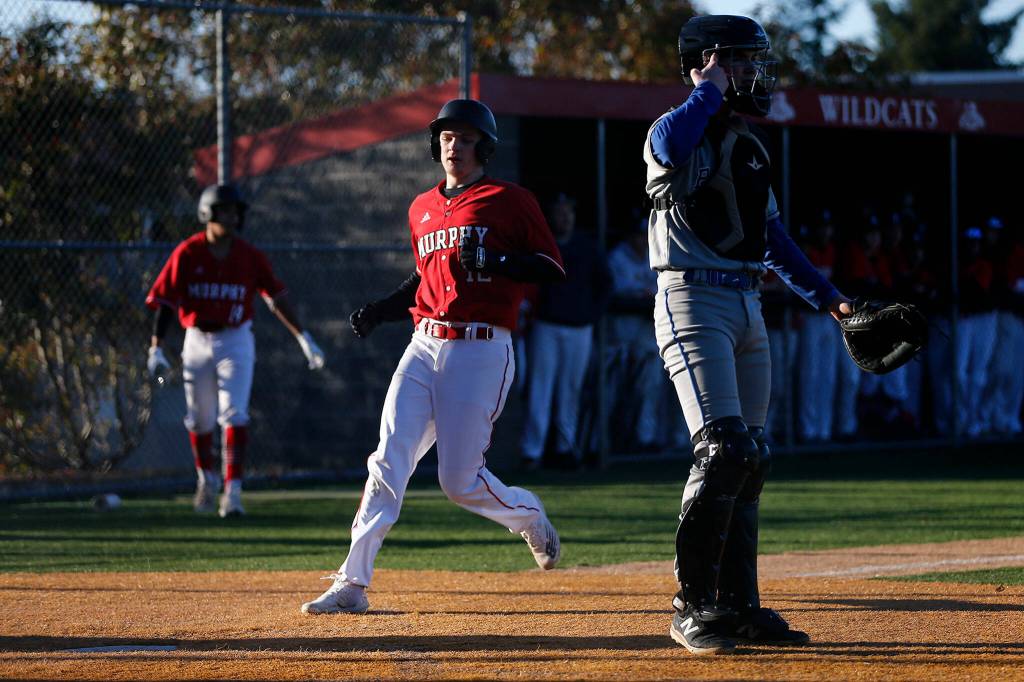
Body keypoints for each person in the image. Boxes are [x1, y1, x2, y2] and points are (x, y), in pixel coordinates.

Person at [300, 99, 566, 616]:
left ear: (483, 147)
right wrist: (381, 310)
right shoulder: (421, 207)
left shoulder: (508, 200)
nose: (453, 145)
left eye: (465, 138)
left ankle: (528, 514)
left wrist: (499, 260)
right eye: (446, 137)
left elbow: (552, 267)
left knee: (459, 481)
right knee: (387, 459)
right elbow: (424, 280)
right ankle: (352, 583)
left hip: (482, 348)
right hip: (424, 343)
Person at [644, 14, 853, 655]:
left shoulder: (751, 145)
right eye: (738, 61)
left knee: (752, 457)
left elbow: (774, 242)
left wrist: (834, 302)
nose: (751, 74)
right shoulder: (675, 126)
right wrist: (706, 88)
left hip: (745, 303)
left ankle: (738, 606)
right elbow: (672, 149)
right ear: (707, 61)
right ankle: (691, 605)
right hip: (691, 296)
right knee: (724, 450)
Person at [145, 184, 325, 517]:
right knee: (199, 418)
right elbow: (167, 301)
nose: (231, 217)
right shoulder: (188, 252)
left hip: (235, 338)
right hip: (197, 338)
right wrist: (156, 346)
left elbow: (275, 297)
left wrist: (304, 337)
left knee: (234, 413)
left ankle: (233, 492)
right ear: (207, 213)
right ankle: (206, 480)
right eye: (225, 210)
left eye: (235, 211)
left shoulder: (249, 256)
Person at [520, 193, 612, 470]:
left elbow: (605, 284)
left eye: (568, 212)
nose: (564, 217)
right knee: (540, 389)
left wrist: (591, 315)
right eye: (559, 212)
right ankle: (532, 451)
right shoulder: (541, 243)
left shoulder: (587, 246)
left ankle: (565, 448)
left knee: (570, 390)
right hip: (546, 326)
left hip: (579, 328)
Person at [603, 212, 663, 452]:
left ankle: (644, 439)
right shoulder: (618, 257)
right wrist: (644, 292)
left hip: (647, 337)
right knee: (612, 392)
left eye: (645, 235)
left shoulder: (656, 256)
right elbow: (621, 290)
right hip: (620, 338)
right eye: (638, 235)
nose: (642, 239)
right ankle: (605, 441)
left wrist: (645, 293)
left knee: (649, 390)